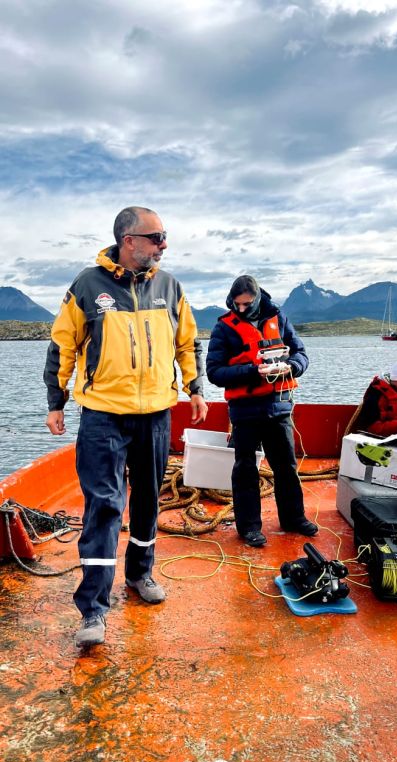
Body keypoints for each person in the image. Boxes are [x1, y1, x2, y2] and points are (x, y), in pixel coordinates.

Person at [44, 206, 208, 647]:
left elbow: (186, 341)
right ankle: (93, 610)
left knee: (149, 499)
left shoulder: (170, 286)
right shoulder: (87, 285)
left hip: (156, 412)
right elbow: (64, 345)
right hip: (103, 415)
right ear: (127, 239)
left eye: (163, 237)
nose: (163, 244)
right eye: (156, 237)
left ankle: (140, 574)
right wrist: (56, 401)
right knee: (104, 505)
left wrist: (194, 387)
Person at [206, 275, 317, 547]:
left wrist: (292, 367)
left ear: (257, 299)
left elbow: (301, 353)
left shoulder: (279, 319)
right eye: (236, 304)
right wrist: (254, 372)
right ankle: (249, 528)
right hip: (245, 411)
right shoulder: (224, 328)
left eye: (246, 304)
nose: (240, 309)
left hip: (278, 407)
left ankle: (294, 518)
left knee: (286, 467)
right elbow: (214, 372)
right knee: (245, 470)